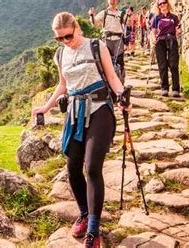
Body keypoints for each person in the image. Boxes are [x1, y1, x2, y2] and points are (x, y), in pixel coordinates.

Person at [32, 12, 131, 248]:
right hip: (75, 113)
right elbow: (63, 84)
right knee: (72, 166)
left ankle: (93, 231)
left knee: (92, 167)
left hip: (99, 110)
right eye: (60, 38)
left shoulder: (97, 47)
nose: (65, 41)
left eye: (68, 36)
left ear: (76, 27)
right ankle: (84, 213)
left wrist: (122, 96)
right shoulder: (61, 54)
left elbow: (112, 78)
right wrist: (46, 106)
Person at [89, 0, 127, 83]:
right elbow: (95, 24)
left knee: (120, 61)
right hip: (107, 39)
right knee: (107, 62)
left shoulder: (121, 14)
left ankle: (121, 82)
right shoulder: (104, 13)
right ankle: (108, 83)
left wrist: (130, 17)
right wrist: (92, 15)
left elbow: (128, 24)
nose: (113, 1)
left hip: (118, 39)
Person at [150, 0, 182, 97]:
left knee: (173, 64)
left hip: (172, 40)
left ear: (167, 4)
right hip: (160, 42)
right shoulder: (156, 18)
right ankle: (164, 88)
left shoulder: (174, 17)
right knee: (162, 65)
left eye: (164, 3)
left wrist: (179, 31)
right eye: (160, 4)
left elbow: (178, 28)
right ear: (158, 6)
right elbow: (153, 31)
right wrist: (153, 40)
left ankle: (176, 89)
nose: (162, 5)